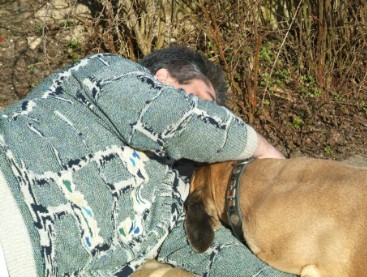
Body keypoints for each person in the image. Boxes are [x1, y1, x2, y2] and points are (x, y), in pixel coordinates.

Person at [0, 45, 289, 276]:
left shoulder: (171, 192)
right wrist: (267, 154)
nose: (213, 118)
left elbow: (209, 251)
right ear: (162, 77)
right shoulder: (106, 72)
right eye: (204, 103)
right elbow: (176, 119)